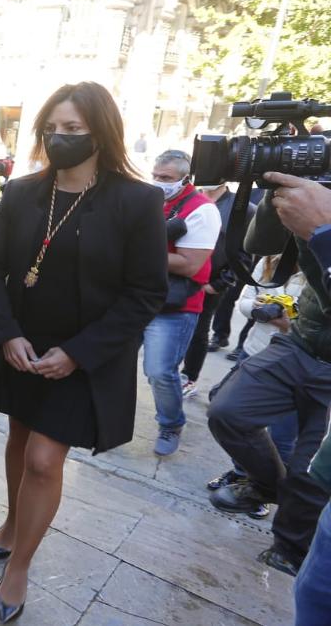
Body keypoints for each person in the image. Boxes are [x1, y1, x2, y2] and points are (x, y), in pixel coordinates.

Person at [0, 82, 167, 621]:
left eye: (73, 129)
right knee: (17, 437)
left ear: (101, 132)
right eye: (52, 129)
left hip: (82, 356)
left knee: (42, 459)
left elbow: (146, 291)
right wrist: (6, 333)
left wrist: (80, 353)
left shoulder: (137, 200)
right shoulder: (22, 192)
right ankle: (13, 524)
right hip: (21, 345)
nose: (60, 138)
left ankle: (20, 567)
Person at [207, 170, 331, 576]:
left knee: (310, 471)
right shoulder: (320, 191)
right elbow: (258, 246)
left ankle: (291, 549)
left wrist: (324, 230)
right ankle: (267, 486)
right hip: (303, 342)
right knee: (228, 410)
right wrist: (277, 192)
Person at [204, 254, 303, 519]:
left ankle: (266, 489)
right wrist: (260, 309)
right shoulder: (271, 259)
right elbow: (244, 301)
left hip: (295, 367)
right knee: (238, 423)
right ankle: (241, 475)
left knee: (282, 436)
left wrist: (288, 325)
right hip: (255, 352)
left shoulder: (322, 268)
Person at [142, 150, 221, 456]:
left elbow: (190, 264)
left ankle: (171, 423)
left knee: (160, 371)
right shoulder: (154, 201)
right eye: (156, 176)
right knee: (114, 361)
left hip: (174, 306)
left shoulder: (202, 210)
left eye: (166, 179)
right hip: (136, 296)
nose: (159, 182)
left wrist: (137, 250)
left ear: (185, 179)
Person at [179, 182, 254, 397]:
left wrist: (218, 284)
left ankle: (189, 377)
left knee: (198, 330)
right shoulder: (188, 198)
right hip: (176, 276)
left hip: (208, 283)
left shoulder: (243, 209)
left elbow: (244, 254)